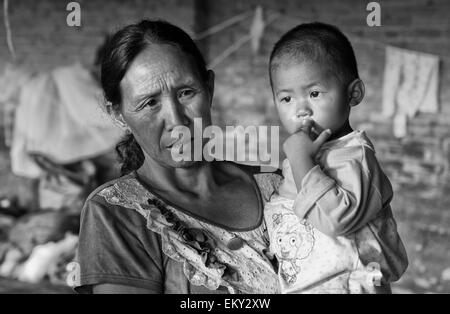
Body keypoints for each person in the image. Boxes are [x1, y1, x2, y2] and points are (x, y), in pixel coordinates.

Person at [73, 20, 281, 294]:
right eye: (150, 103)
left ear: (209, 88)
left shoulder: (274, 186)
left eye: (186, 93)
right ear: (118, 115)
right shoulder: (116, 213)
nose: (176, 120)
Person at [264, 22, 408, 293]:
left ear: (353, 94)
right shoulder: (304, 152)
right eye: (286, 99)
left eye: (314, 94)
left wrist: (300, 160)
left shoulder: (356, 157)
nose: (301, 110)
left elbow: (336, 221)